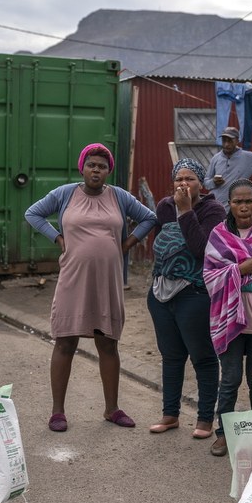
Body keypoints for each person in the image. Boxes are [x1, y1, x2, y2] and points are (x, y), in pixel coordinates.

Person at [25, 143, 157, 432]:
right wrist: (57, 238)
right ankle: (57, 412)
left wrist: (126, 245)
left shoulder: (119, 196)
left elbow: (149, 217)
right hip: (73, 278)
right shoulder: (64, 194)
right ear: (82, 167)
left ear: (108, 170)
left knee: (108, 342)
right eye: (91, 164)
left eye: (102, 166)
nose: (96, 170)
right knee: (65, 341)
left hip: (108, 281)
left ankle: (112, 409)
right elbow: (32, 213)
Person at [149, 158, 226, 437]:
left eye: (190, 179)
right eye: (179, 179)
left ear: (201, 182)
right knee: (171, 356)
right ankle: (170, 415)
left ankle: (204, 419)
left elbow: (203, 250)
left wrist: (185, 212)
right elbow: (162, 246)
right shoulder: (164, 206)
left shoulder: (212, 209)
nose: (184, 184)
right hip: (161, 291)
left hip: (194, 293)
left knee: (203, 357)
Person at [203, 179, 252, 457]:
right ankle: (223, 434)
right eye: (237, 202)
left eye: (249, 200)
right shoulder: (218, 235)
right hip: (230, 318)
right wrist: (239, 269)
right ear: (228, 204)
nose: (244, 206)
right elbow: (208, 275)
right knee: (230, 380)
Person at [205, 126, 252, 209]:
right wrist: (213, 182)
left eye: (230, 141)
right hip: (214, 208)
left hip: (234, 211)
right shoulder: (216, 158)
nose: (226, 144)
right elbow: (206, 183)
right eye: (224, 141)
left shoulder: (247, 158)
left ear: (237, 141)